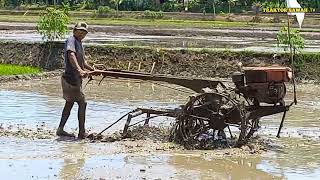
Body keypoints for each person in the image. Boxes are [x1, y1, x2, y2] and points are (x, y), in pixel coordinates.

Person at [56, 22, 96, 139]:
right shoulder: (71, 40)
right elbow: (71, 55)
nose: (82, 33)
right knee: (82, 103)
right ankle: (82, 133)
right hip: (71, 78)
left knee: (69, 103)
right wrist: (79, 70)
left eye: (84, 32)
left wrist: (93, 69)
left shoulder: (79, 42)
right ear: (74, 31)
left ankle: (60, 129)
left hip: (75, 79)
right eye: (80, 31)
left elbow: (82, 62)